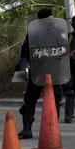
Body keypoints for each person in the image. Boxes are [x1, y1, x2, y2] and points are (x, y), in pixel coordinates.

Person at [16, 8, 63, 139]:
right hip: (37, 71)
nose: (51, 22)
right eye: (49, 19)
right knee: (29, 100)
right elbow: (24, 53)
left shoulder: (59, 32)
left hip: (54, 72)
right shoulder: (33, 34)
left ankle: (53, 130)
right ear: (41, 21)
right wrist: (25, 70)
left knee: (56, 100)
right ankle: (26, 129)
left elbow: (63, 50)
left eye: (52, 19)